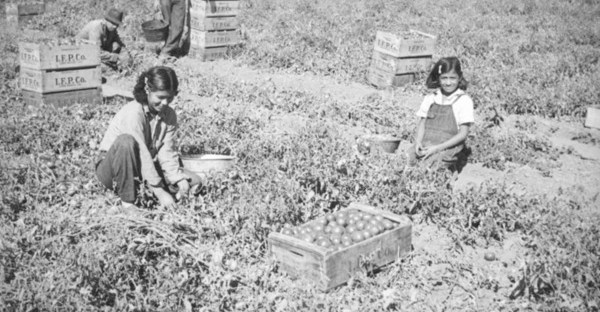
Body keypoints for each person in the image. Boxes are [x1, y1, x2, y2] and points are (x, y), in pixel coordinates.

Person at [95, 66, 204, 212]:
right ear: (147, 90)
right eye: (160, 97)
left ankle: (151, 190)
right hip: (114, 168)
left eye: (170, 97)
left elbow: (167, 152)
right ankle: (128, 202)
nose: (165, 103)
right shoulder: (133, 113)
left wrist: (177, 178)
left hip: (140, 166)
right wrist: (159, 191)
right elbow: (142, 154)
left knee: (195, 181)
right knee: (126, 141)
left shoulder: (169, 115)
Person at [407, 57, 474, 172]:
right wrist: (418, 143)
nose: (448, 83)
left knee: (429, 167)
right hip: (426, 144)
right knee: (406, 160)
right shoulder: (431, 97)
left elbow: (463, 134)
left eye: (452, 78)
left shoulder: (463, 100)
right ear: (438, 78)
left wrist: (436, 148)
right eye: (444, 78)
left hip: (447, 147)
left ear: (459, 78)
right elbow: (422, 124)